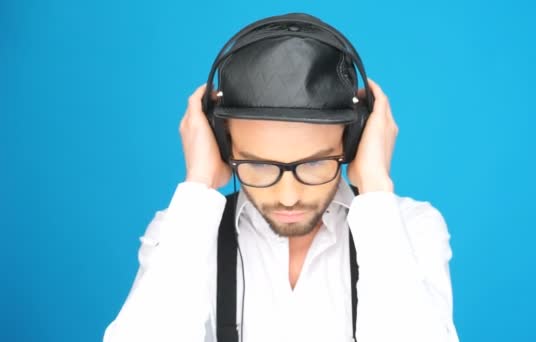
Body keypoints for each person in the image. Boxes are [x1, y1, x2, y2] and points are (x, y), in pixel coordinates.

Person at [104, 13, 458, 342]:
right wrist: (197, 183)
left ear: (353, 141)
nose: (288, 196)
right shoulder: (184, 230)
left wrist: (376, 187)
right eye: (259, 166)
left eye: (315, 164)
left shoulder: (411, 228)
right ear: (223, 144)